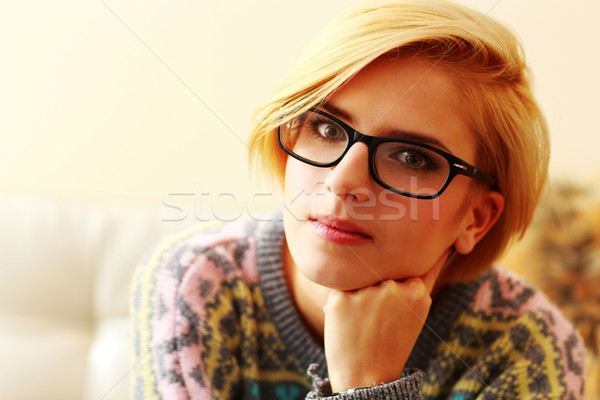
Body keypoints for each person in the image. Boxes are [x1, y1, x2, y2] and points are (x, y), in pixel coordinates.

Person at [131, 0, 586, 398]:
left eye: (411, 156)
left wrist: (364, 383)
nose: (342, 182)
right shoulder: (196, 287)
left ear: (476, 219)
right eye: (327, 128)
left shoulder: (528, 347)